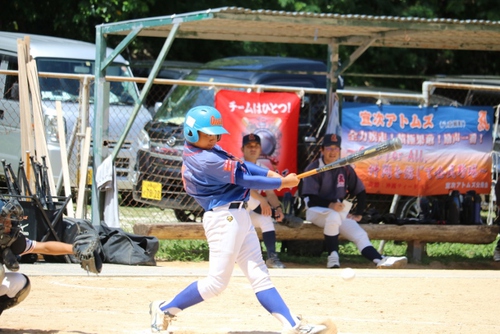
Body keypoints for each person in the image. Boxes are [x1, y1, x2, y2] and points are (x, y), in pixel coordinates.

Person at [149, 106, 335, 334]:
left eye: (215, 134)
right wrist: (282, 184)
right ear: (191, 133)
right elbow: (243, 178)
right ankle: (164, 309)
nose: (213, 138)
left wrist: (270, 175)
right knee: (216, 283)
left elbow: (242, 164)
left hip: (238, 216)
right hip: (223, 219)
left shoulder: (209, 150)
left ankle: (293, 325)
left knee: (259, 275)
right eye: (207, 134)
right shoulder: (204, 159)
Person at [301, 134, 408, 269]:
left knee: (359, 233)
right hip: (315, 211)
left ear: (339, 151)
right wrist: (330, 205)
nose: (332, 152)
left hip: (337, 211)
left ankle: (380, 259)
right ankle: (333, 258)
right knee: (333, 216)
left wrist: (358, 213)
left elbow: (360, 191)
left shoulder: (345, 168)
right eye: (329, 148)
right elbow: (310, 199)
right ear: (322, 150)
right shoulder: (313, 168)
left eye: (336, 148)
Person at [0, 198, 74, 316]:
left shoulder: (12, 240)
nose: (10, 223)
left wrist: (75, 250)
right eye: (6, 220)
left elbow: (44, 247)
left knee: (20, 283)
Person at [241, 133, 286, 269]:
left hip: (253, 212)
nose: (253, 149)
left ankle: (272, 257)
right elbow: (246, 187)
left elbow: (270, 193)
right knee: (252, 199)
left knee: (266, 219)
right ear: (242, 149)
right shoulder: (238, 165)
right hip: (236, 214)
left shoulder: (263, 169)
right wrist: (262, 200)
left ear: (261, 149)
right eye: (249, 146)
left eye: (256, 146)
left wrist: (277, 208)